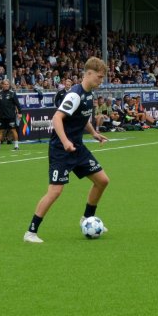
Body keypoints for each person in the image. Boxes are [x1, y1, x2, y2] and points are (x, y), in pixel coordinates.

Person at [24, 57, 110, 244]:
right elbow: (57, 118)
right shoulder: (75, 95)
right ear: (88, 73)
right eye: (99, 77)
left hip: (77, 147)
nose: (101, 81)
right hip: (61, 150)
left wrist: (94, 133)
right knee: (55, 191)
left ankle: (86, 218)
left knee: (102, 180)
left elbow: (82, 118)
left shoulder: (89, 94)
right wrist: (65, 142)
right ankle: (31, 232)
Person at [0, 79, 22, 151]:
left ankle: (16, 146)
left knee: (13, 130)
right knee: (0, 130)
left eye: (7, 84)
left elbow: (17, 104)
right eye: (5, 84)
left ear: (9, 85)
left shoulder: (12, 93)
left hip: (11, 116)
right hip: (2, 116)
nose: (6, 85)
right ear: (2, 85)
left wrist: (19, 113)